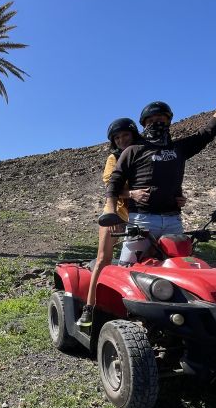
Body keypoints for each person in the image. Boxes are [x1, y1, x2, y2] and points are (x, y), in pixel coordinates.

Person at [102, 61, 216, 267]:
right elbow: (114, 183)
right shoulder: (133, 151)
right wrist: (111, 212)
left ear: (169, 121)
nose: (156, 123)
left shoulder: (180, 149)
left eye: (161, 118)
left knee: (178, 270)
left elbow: (210, 130)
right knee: (128, 270)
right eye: (150, 120)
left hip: (173, 221)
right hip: (142, 220)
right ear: (144, 125)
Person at [76, 120, 187, 330]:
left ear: (134, 135)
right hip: (117, 212)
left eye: (125, 136)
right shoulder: (115, 157)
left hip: (143, 215)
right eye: (117, 138)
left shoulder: (147, 154)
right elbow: (111, 185)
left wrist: (178, 197)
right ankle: (89, 308)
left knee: (154, 260)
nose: (121, 141)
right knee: (103, 259)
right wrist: (130, 194)